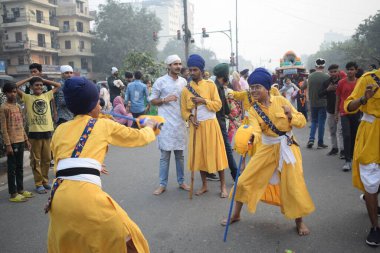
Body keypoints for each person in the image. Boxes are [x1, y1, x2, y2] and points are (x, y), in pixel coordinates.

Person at [47, 76, 157, 252]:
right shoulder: (104, 125)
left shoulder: (59, 130)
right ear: (92, 106)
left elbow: (61, 165)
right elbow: (139, 137)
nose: (100, 106)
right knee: (128, 240)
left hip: (58, 200)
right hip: (86, 199)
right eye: (98, 102)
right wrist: (150, 127)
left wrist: (90, 165)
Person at [221, 68, 315, 236]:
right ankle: (235, 215)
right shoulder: (253, 110)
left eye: (258, 86)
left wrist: (290, 116)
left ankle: (299, 222)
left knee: (293, 185)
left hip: (287, 147)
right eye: (252, 87)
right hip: (266, 148)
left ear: (266, 87)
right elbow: (256, 131)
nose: (254, 90)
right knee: (244, 181)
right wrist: (250, 137)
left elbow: (301, 121)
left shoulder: (281, 101)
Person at [181, 54, 228, 197]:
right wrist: (190, 117)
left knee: (217, 155)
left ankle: (223, 186)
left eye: (195, 69)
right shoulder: (186, 89)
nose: (192, 72)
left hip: (211, 125)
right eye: (190, 70)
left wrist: (203, 101)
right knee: (199, 155)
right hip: (197, 127)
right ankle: (204, 186)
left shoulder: (210, 85)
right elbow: (183, 110)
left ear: (201, 70)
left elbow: (218, 105)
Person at [345, 68, 380, 246]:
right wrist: (364, 99)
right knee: (371, 181)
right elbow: (349, 106)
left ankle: (370, 198)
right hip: (371, 136)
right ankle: (375, 228)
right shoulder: (368, 79)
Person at [149, 54, 189, 195]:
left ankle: (181, 181)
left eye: (179, 64)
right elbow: (152, 100)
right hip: (165, 123)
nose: (178, 66)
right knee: (165, 155)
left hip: (179, 123)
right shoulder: (160, 82)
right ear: (168, 66)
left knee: (180, 155)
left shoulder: (184, 82)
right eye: (175, 64)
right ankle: (162, 184)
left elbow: (187, 100)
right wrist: (165, 99)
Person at [16, 76, 61, 194]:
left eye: (41, 85)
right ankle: (38, 183)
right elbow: (15, 87)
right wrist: (30, 78)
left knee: (47, 159)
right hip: (34, 133)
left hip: (47, 132)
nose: (39, 87)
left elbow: (58, 86)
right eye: (36, 85)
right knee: (36, 160)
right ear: (31, 87)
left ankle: (45, 182)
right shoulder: (27, 97)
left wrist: (42, 80)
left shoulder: (47, 95)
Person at [0, 81, 33, 202]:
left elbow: (21, 125)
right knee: (12, 168)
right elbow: (3, 128)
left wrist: (26, 140)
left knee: (20, 167)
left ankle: (20, 190)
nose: (13, 94)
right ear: (5, 93)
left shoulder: (18, 107)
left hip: (20, 140)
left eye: (14, 91)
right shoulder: (4, 108)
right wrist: (8, 144)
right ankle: (13, 194)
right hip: (12, 142)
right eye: (10, 92)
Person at [213, 63, 239, 181]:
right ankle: (236, 175)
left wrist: (231, 117)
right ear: (225, 75)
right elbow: (222, 107)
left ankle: (210, 171)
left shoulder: (217, 86)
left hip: (218, 120)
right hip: (218, 122)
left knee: (219, 148)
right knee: (227, 149)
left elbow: (224, 108)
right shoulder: (217, 88)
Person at [336, 62, 360, 172]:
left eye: (352, 69)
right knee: (346, 135)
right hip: (344, 112)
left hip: (357, 112)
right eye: (348, 69)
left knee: (355, 136)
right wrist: (336, 113)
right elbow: (338, 98)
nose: (350, 71)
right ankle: (347, 161)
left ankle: (354, 157)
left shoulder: (360, 82)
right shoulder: (341, 83)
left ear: (356, 70)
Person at [301, 58, 330, 149]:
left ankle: (311, 139)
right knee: (321, 122)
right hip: (323, 103)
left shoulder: (310, 76)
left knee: (314, 122)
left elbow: (302, 87)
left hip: (312, 103)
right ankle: (320, 143)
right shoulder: (327, 77)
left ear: (315, 66)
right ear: (323, 66)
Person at [318, 64, 344, 156]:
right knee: (332, 130)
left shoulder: (343, 81)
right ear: (329, 72)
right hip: (330, 110)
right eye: (331, 72)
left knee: (341, 131)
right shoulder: (326, 83)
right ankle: (334, 148)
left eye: (335, 71)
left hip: (342, 110)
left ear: (338, 71)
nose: (333, 73)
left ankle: (343, 150)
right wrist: (328, 90)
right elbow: (319, 94)